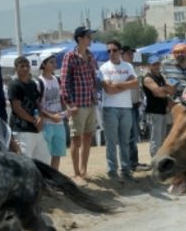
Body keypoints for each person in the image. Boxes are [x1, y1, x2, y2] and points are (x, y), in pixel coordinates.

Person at [61, 26, 99, 185]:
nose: (90, 38)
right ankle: (76, 172)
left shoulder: (90, 56)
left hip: (90, 102)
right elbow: (65, 82)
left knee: (88, 137)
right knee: (76, 139)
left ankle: (83, 170)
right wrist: (70, 104)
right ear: (80, 38)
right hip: (77, 104)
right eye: (88, 36)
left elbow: (93, 78)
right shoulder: (70, 56)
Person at [99, 40, 138, 182]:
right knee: (111, 142)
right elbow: (108, 89)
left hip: (126, 107)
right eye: (108, 51)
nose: (111, 53)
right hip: (110, 107)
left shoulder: (128, 66)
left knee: (125, 141)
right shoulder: (104, 68)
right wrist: (126, 84)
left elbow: (135, 83)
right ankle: (112, 170)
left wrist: (117, 84)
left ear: (120, 51)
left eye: (114, 50)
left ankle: (126, 170)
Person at [9, 56, 49, 163]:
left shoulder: (32, 84)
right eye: (22, 66)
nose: (26, 68)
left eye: (27, 66)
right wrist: (34, 121)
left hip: (35, 128)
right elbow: (17, 108)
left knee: (44, 160)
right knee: (26, 162)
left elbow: (37, 103)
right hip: (21, 130)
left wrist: (40, 118)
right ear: (16, 68)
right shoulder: (14, 85)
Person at [37, 54, 68, 169]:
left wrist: (67, 110)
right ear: (43, 64)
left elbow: (61, 99)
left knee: (57, 154)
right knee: (45, 155)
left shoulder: (57, 79)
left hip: (59, 123)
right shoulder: (39, 82)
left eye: (55, 62)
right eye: (51, 62)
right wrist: (51, 116)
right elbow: (38, 105)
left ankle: (54, 180)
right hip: (46, 124)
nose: (54, 64)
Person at [121, 46, 149, 171]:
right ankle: (130, 163)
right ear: (122, 54)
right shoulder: (121, 69)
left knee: (133, 135)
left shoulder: (133, 68)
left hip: (134, 104)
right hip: (125, 105)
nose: (131, 55)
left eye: (132, 53)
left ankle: (133, 162)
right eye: (128, 53)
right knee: (129, 135)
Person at [143, 56, 174, 157]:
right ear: (149, 66)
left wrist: (164, 89)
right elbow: (158, 93)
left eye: (157, 64)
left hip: (162, 111)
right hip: (154, 112)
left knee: (162, 138)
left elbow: (172, 90)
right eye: (154, 64)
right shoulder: (148, 78)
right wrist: (165, 90)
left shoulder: (160, 76)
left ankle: (160, 160)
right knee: (156, 139)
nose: (156, 66)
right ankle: (154, 162)